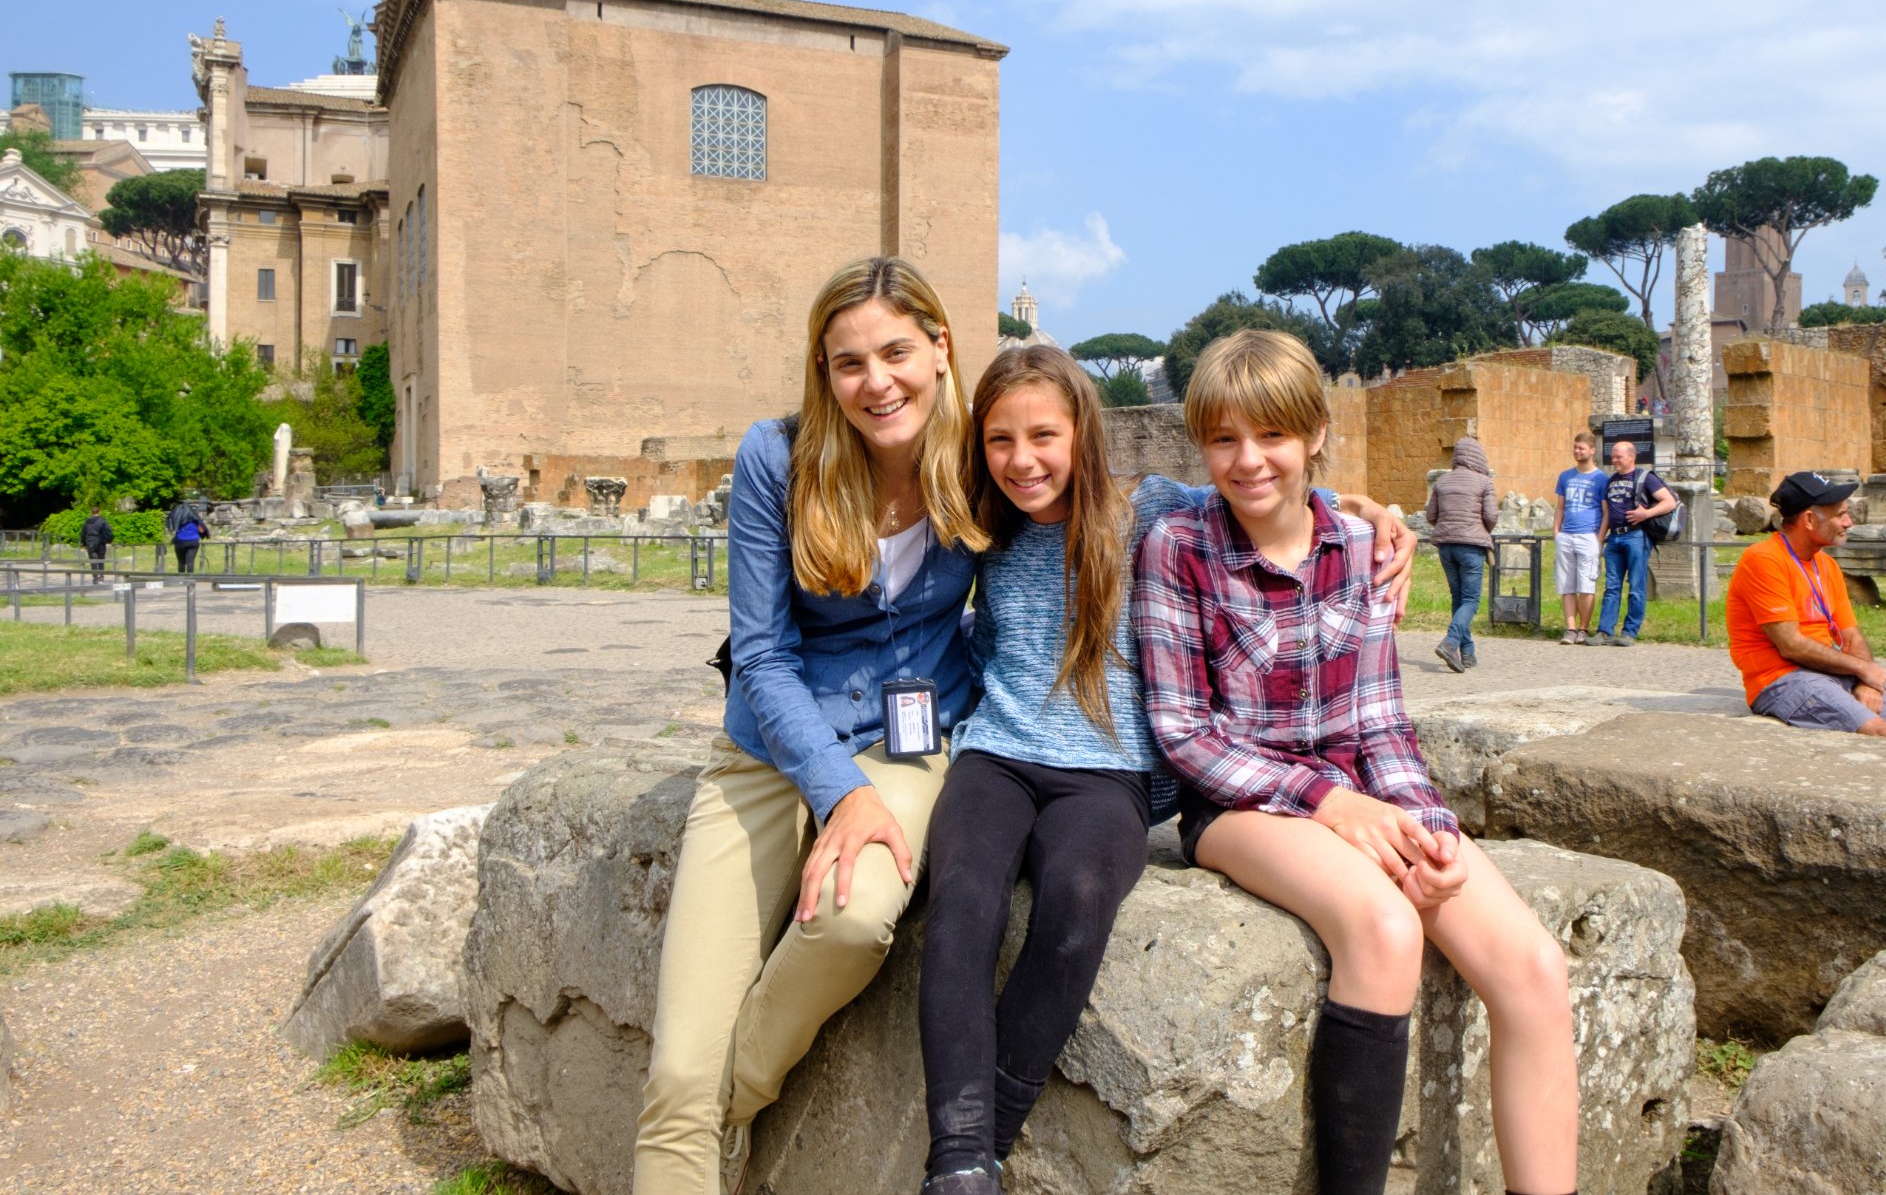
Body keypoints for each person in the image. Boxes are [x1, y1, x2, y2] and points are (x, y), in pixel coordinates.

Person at [919, 343, 1417, 1193]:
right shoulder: (980, 521)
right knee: (962, 900)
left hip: (1109, 769)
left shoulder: (1148, 508)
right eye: (999, 439)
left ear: (1085, 432)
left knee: (1078, 901)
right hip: (995, 752)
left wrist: (1374, 513)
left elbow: (1264, 496)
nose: (1021, 458)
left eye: (1044, 434)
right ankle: (958, 1163)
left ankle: (989, 1135)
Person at [1134, 330, 1578, 1195]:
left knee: (1532, 967)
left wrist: (1431, 828)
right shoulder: (1178, 546)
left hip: (1359, 785)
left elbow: (1381, 723)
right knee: (1383, 927)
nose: (1249, 460)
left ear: (1315, 435)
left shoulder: (1361, 542)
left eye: (1271, 436)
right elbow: (1185, 733)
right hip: (1238, 804)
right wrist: (1331, 805)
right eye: (1223, 439)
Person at [632, 256, 990, 1195]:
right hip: (766, 750)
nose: (878, 383)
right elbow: (760, 653)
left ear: (941, 347)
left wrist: (1326, 506)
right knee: (671, 1073)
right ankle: (698, 1109)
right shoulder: (775, 456)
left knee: (855, 919)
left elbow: (1104, 491)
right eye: (849, 363)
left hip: (907, 742)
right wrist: (841, 794)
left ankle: (733, 1100)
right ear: (822, 373)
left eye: (898, 353)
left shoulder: (979, 455)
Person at [1726, 471, 1886, 743]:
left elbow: (1851, 635)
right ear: (1809, 519)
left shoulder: (1826, 564)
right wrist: (1862, 669)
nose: (1849, 522)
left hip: (1834, 673)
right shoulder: (1763, 559)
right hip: (1781, 679)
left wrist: (1866, 682)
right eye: (1841, 514)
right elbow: (1791, 644)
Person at [1587, 442, 1673, 646]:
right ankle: (1604, 631)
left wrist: (1646, 514)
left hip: (1636, 536)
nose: (1614, 460)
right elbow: (1607, 513)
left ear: (1631, 457)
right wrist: (1600, 539)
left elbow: (1668, 501)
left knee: (1636, 586)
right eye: (1613, 456)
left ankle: (1629, 632)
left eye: (1618, 456)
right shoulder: (1610, 481)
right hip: (1614, 538)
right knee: (1611, 586)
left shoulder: (1645, 478)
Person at [1425, 437, 1496, 672]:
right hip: (1471, 547)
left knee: (1458, 598)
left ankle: (1467, 652)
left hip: (1446, 546)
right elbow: (1491, 516)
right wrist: (1480, 529)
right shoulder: (1484, 482)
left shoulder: (1442, 482)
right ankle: (1450, 643)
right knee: (1471, 601)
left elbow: (1431, 516)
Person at [1552, 435, 1607, 645]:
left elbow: (1605, 511)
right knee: (1567, 585)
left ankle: (1584, 627)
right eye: (1575, 448)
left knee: (1586, 585)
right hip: (1566, 535)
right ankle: (1570, 627)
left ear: (1592, 450)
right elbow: (1560, 506)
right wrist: (1557, 532)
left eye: (1581, 448)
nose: (1577, 452)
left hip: (1588, 535)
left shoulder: (1601, 479)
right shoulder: (1566, 476)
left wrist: (1599, 538)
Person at [166, 497, 208, 574]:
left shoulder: (178, 520)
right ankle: (190, 580)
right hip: (193, 541)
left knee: (181, 562)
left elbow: (173, 528)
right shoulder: (195, 520)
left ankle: (181, 580)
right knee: (190, 562)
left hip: (180, 542)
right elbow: (202, 530)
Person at [81, 505, 114, 583]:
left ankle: (95, 578)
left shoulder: (87, 521)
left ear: (91, 512)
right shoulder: (102, 521)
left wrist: (84, 543)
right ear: (99, 511)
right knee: (101, 559)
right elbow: (109, 531)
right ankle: (101, 577)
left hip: (90, 542)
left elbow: (83, 533)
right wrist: (109, 541)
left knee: (93, 560)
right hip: (100, 542)